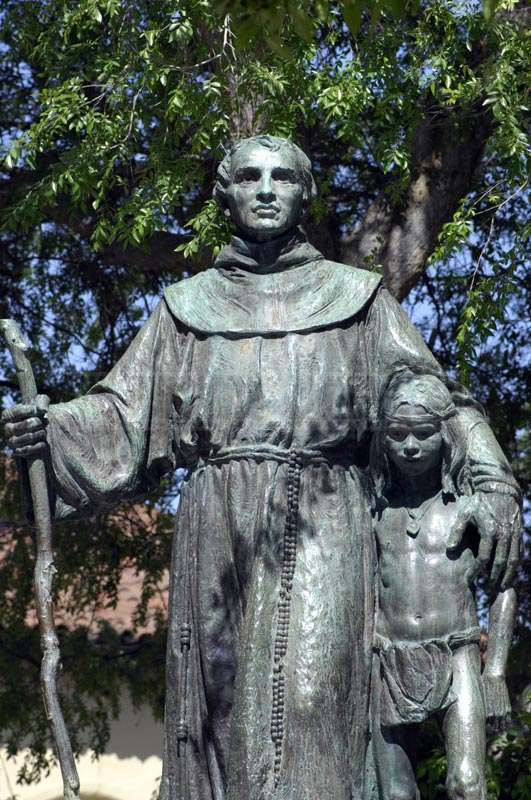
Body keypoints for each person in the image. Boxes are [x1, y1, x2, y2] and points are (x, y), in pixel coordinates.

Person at [2, 136, 521, 800]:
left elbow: (434, 399)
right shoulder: (184, 310)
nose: (267, 188)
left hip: (324, 524)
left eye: (284, 177)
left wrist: (491, 480)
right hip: (218, 529)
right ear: (225, 195)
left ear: (306, 194)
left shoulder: (355, 301)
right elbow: (119, 416)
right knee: (221, 714)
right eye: (249, 176)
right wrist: (44, 431)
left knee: (312, 704)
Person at [370, 373, 517, 800]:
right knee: (395, 793)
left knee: (468, 784)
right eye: (397, 434)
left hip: (458, 656)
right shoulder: (374, 512)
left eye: (424, 433)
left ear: (446, 436)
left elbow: (504, 585)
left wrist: (495, 671)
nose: (410, 446)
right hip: (388, 660)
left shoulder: (470, 511)